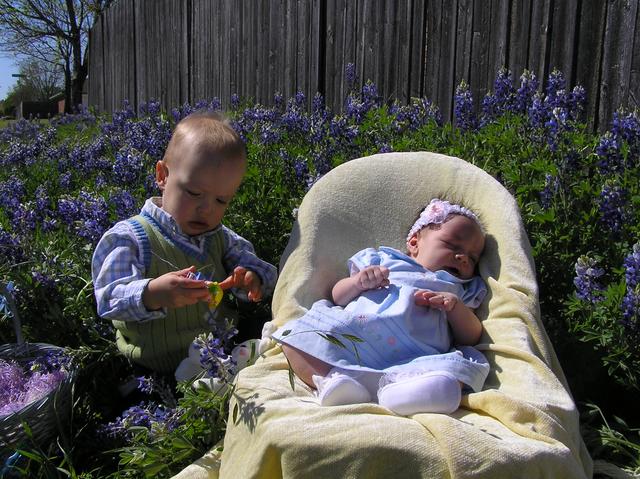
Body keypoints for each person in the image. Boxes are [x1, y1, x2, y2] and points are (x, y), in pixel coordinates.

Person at [92, 111, 277, 374]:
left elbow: (256, 269)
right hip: (155, 370)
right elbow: (109, 297)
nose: (207, 209)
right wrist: (152, 293)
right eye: (193, 193)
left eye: (221, 201)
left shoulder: (220, 237)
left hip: (220, 355)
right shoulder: (130, 237)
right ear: (162, 175)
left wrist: (250, 279)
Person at [271, 198, 489, 415]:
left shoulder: (460, 289)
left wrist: (455, 308)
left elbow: (471, 336)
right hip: (357, 339)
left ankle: (404, 395)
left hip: (416, 359)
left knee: (459, 366)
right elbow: (337, 296)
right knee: (295, 337)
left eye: (472, 257)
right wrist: (358, 282)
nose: (463, 258)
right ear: (414, 243)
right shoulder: (383, 259)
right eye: (452, 245)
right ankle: (332, 381)